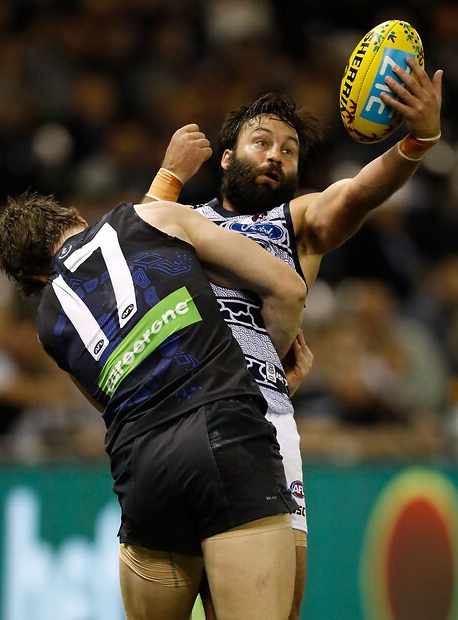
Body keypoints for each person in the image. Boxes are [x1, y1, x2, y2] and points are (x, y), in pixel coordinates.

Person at [144, 56, 443, 619]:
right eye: (262, 143)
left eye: (289, 150)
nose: (276, 156)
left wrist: (418, 141)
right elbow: (124, 268)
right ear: (227, 157)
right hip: (175, 418)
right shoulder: (183, 220)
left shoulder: (296, 222)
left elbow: (355, 195)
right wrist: (169, 176)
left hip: (264, 424)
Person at [0, 191, 308, 620]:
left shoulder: (48, 325)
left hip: (142, 470)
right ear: (76, 216)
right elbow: (289, 288)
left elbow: (110, 403)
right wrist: (268, 373)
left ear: (35, 279)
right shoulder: (153, 216)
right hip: (225, 433)